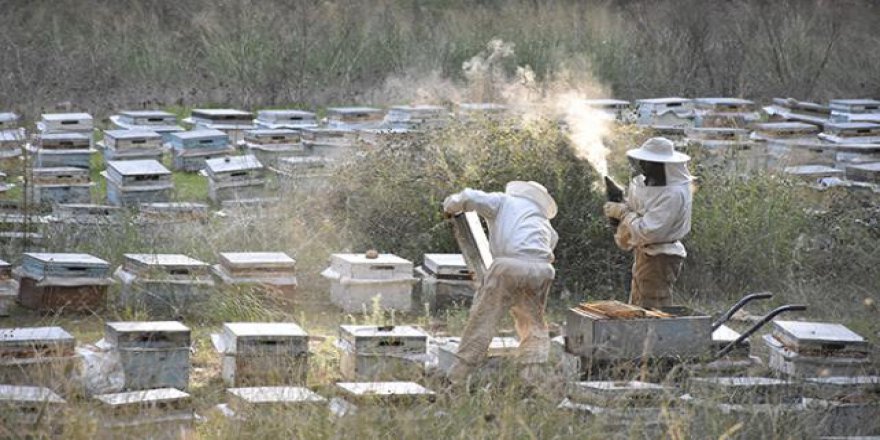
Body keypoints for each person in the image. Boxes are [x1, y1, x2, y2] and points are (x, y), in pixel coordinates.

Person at [442, 181, 558, 383]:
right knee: (532, 320)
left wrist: (450, 205)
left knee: (485, 317)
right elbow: (551, 244)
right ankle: (531, 376)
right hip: (542, 270)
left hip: (509, 266)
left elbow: (469, 196)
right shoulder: (542, 220)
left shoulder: (504, 201)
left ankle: (457, 377)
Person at [603, 137, 693, 309]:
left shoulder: (672, 194)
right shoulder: (651, 185)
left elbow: (648, 231)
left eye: (648, 162)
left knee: (651, 309)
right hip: (648, 253)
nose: (643, 165)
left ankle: (654, 337)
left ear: (661, 164)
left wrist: (622, 212)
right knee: (639, 304)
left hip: (661, 256)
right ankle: (641, 336)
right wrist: (620, 201)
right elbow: (639, 212)